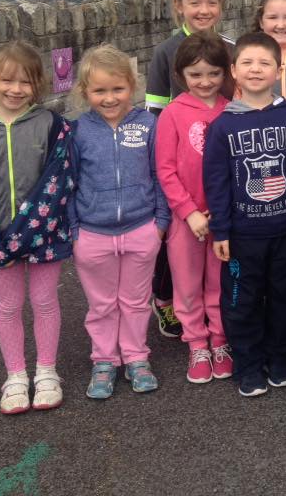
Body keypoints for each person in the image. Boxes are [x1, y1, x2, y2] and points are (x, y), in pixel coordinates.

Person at [0, 42, 74, 415]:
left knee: (44, 301)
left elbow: (59, 181)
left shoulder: (53, 125)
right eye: (7, 80)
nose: (15, 89)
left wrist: (27, 232)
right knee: (7, 305)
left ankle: (48, 372)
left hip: (45, 235)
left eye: (25, 81)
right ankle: (16, 376)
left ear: (38, 83)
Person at [204, 32, 286, 397]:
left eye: (264, 63)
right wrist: (220, 230)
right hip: (242, 236)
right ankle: (248, 364)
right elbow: (215, 182)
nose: (255, 69)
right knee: (240, 302)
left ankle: (279, 358)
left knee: (284, 298)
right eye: (247, 62)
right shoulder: (222, 126)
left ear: (277, 70)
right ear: (233, 70)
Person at [71, 45, 171, 399]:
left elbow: (160, 175)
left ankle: (136, 357)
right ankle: (104, 361)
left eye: (118, 89)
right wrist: (74, 232)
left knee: (135, 300)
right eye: (100, 91)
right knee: (102, 304)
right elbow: (68, 183)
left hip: (141, 229)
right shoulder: (77, 131)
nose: (110, 98)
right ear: (85, 92)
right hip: (92, 233)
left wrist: (159, 224)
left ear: (132, 86)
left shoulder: (148, 125)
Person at [145, 0, 235, 339]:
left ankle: (217, 333)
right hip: (180, 180)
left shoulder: (230, 50)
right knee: (176, 255)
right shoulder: (165, 52)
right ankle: (171, 306)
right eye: (194, 2)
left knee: (217, 272)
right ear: (178, 7)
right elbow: (156, 114)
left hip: (219, 196)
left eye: (211, 2)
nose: (203, 10)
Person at [155, 32, 232, 384]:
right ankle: (196, 343)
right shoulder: (172, 114)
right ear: (181, 75)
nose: (205, 81)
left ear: (225, 73)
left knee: (219, 281)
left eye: (213, 73)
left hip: (223, 216)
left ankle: (219, 339)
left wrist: (223, 209)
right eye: (196, 74)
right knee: (186, 285)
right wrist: (188, 212)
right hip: (186, 218)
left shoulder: (231, 111)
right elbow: (166, 170)